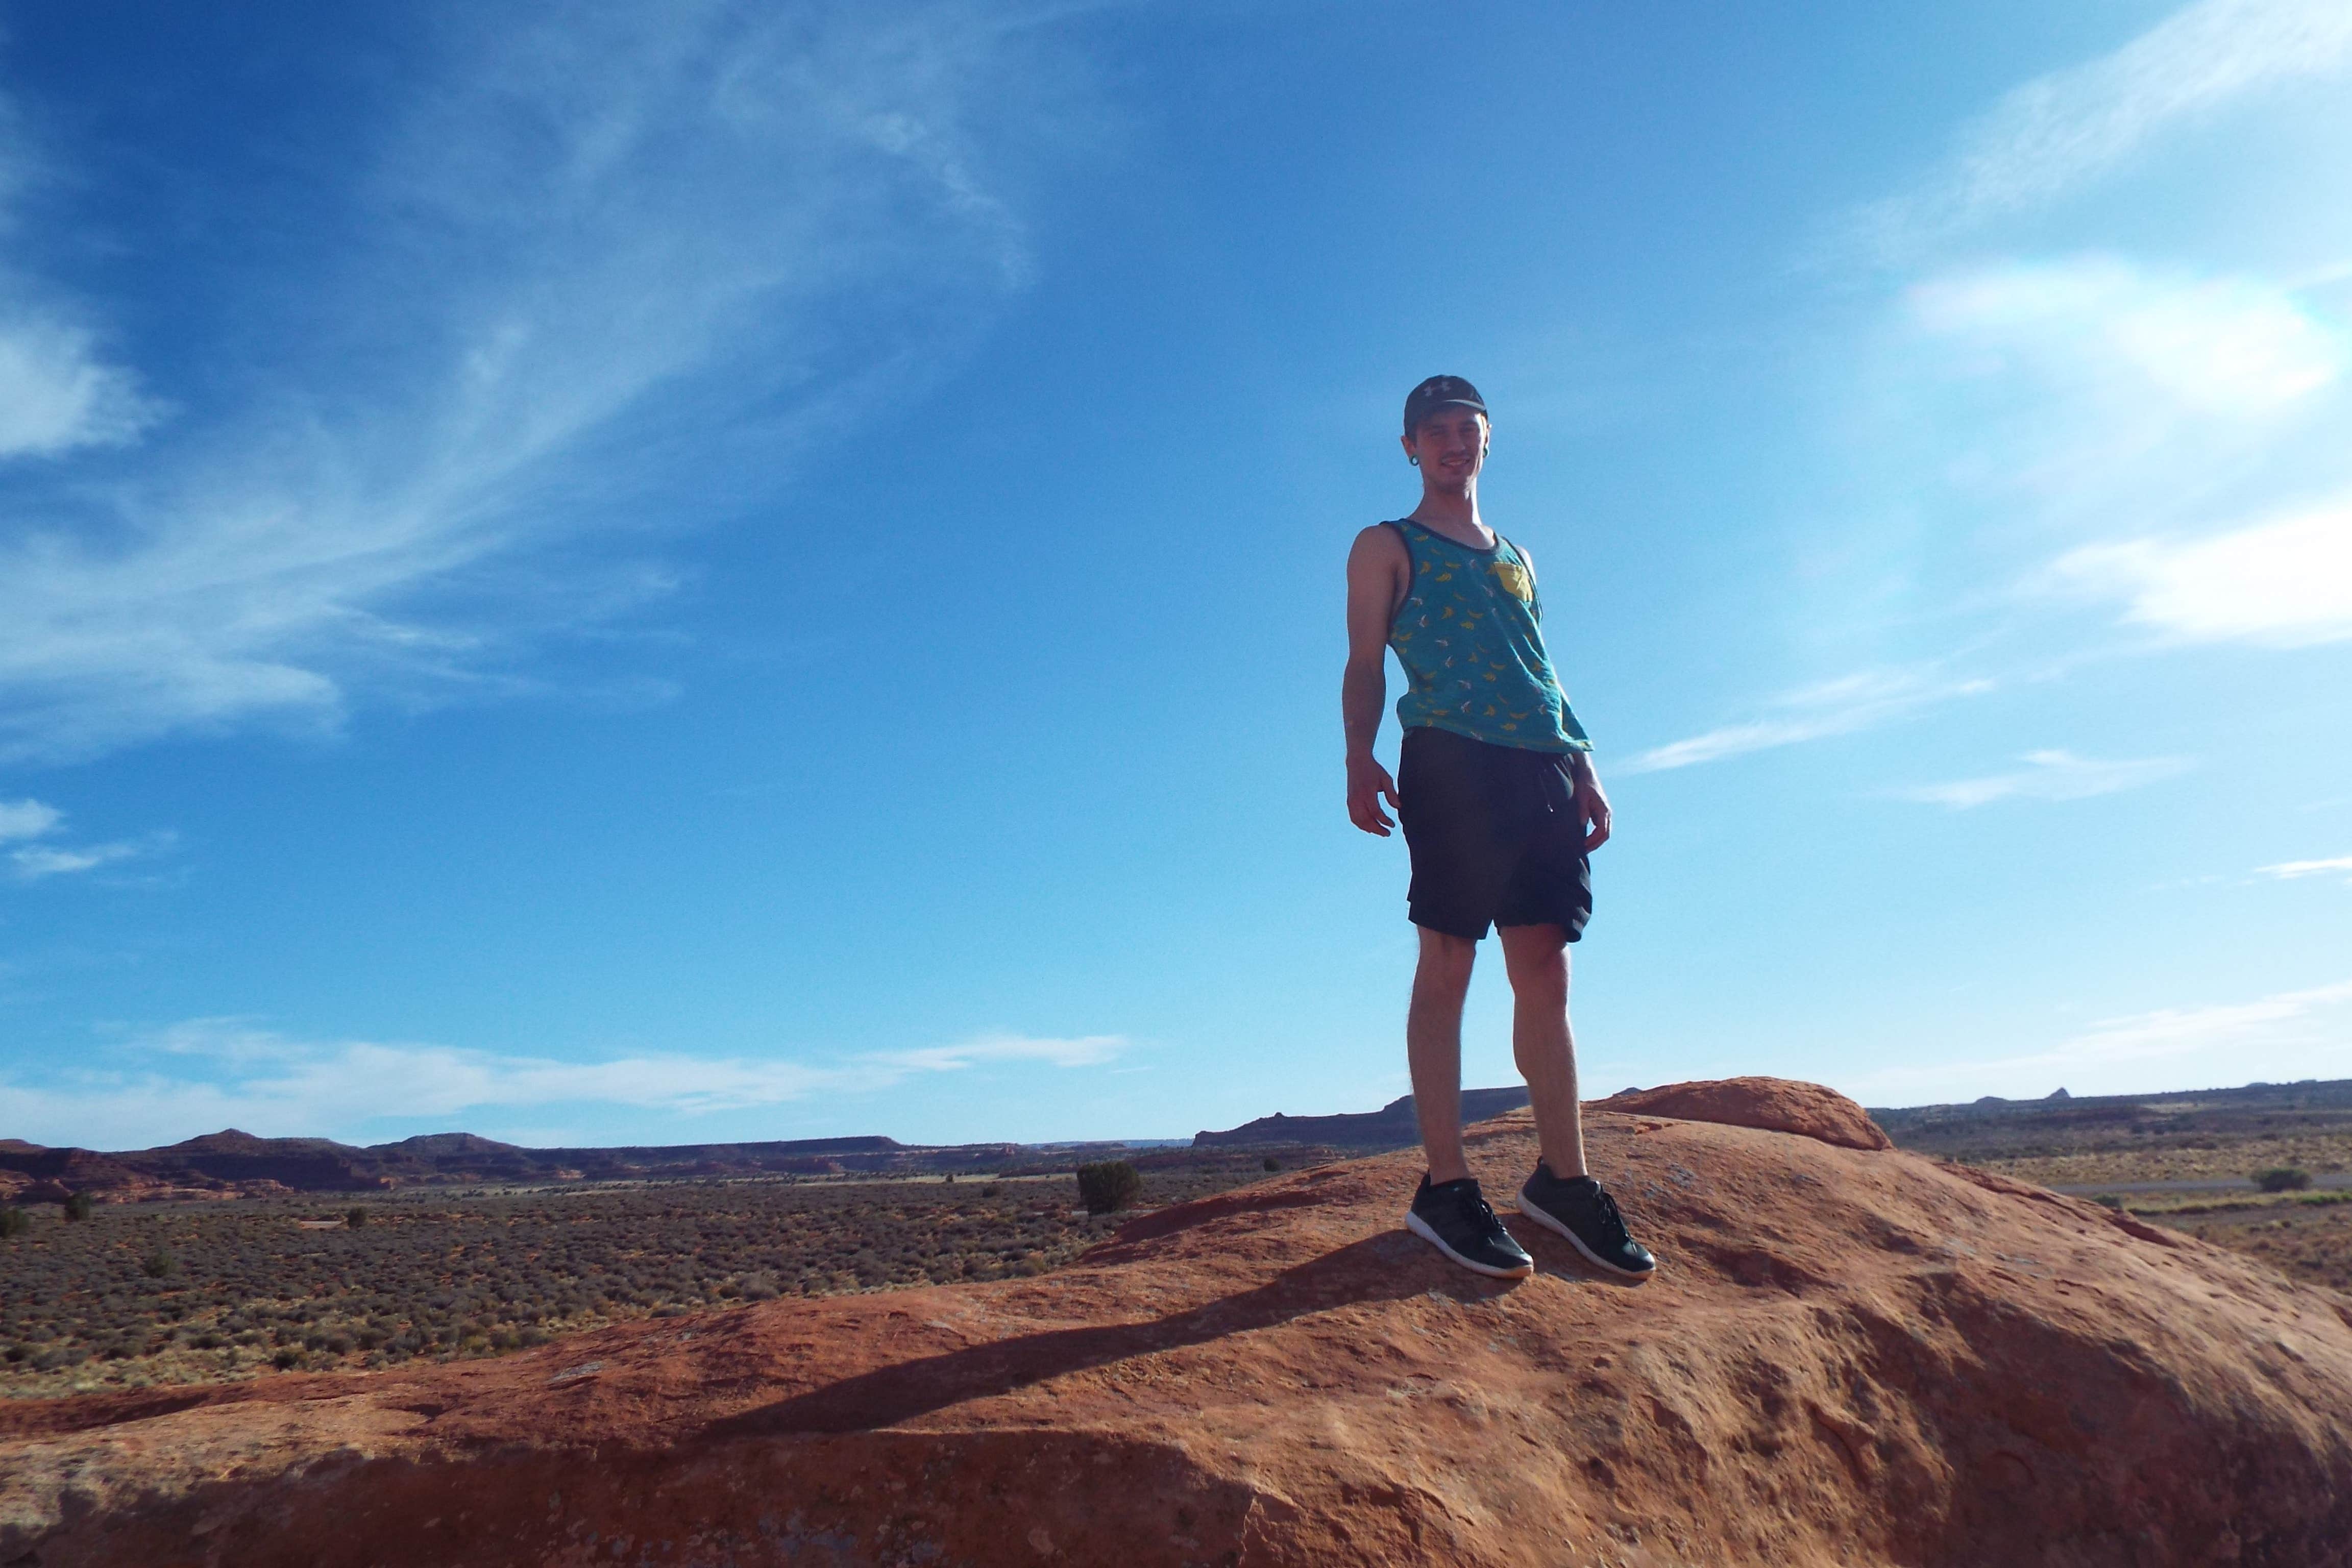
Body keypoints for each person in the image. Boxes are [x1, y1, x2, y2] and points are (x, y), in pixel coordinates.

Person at [1342, 374, 1655, 1283]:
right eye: (1433, 431)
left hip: (1543, 765)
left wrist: (1584, 762)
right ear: (1409, 447)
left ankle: (1564, 1181)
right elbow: (1365, 659)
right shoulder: (1386, 544)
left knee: (1546, 972)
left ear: (1488, 442)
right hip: (1452, 757)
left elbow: (1540, 664)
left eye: (1467, 429)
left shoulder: (1516, 554)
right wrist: (1360, 756)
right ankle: (1445, 1187)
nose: (1452, 443)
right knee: (1449, 960)